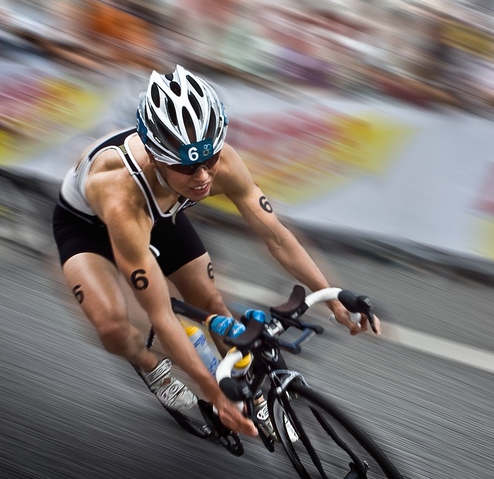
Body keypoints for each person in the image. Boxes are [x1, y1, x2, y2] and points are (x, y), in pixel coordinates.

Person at [52, 65, 380, 438]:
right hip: (86, 226)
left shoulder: (220, 163)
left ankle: (255, 396)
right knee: (112, 327)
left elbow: (276, 236)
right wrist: (214, 395)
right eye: (188, 167)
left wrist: (332, 298)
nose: (204, 177)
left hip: (161, 212)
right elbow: (160, 315)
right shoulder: (118, 189)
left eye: (210, 160)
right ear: (156, 157)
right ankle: (151, 367)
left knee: (211, 302)